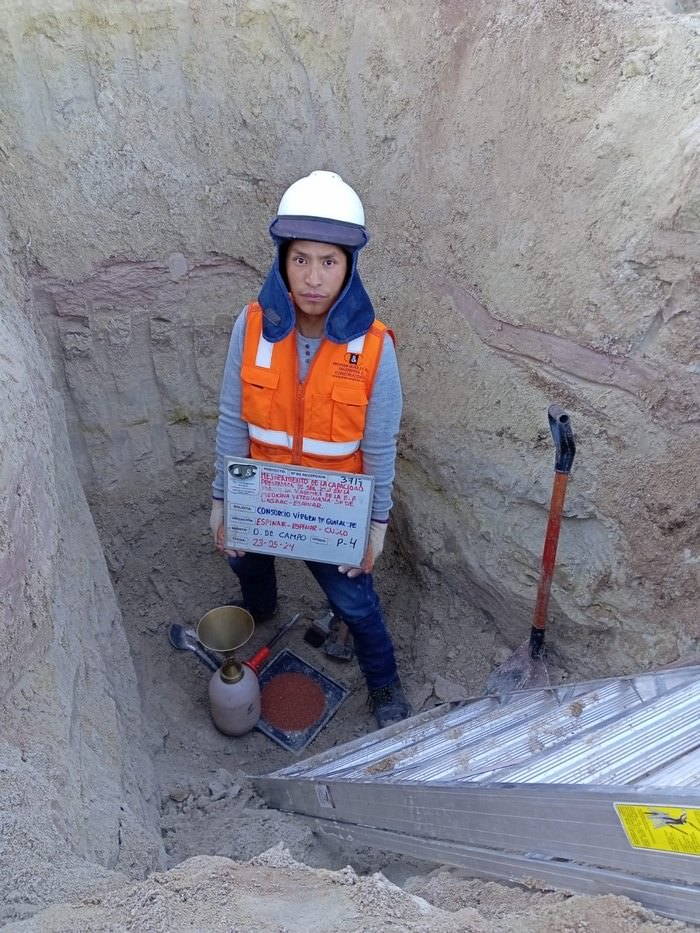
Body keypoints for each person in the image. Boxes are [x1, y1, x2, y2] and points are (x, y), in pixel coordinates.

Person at [209, 170, 410, 729]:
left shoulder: (374, 348)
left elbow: (380, 445)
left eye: (328, 261)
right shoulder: (251, 326)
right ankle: (262, 608)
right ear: (282, 260)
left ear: (350, 266)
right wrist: (223, 500)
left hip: (332, 510)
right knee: (244, 559)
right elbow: (232, 418)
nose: (313, 278)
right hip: (260, 495)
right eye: (301, 259)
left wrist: (375, 526)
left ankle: (385, 683)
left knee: (355, 604)